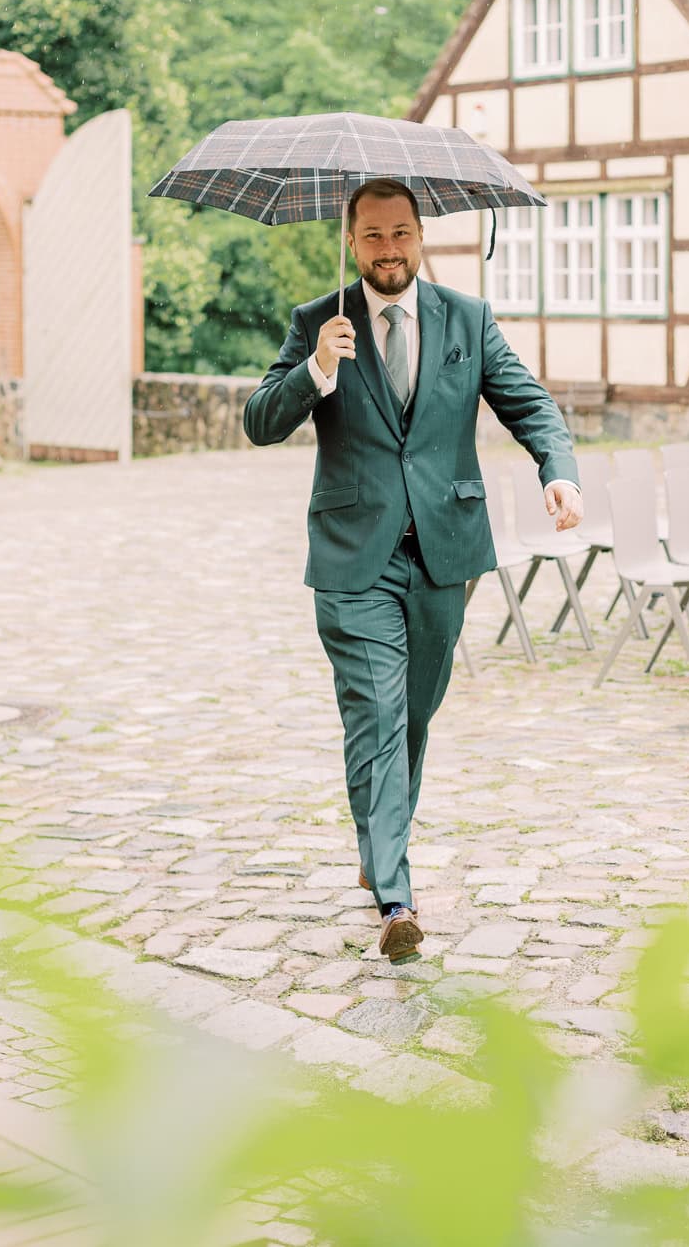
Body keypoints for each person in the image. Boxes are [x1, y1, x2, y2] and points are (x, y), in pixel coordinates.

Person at [243, 178, 582, 962]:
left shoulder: (467, 318)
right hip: (352, 559)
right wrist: (315, 370)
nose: (388, 249)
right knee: (376, 714)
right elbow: (261, 420)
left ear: (419, 236)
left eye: (400, 233)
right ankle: (396, 895)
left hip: (443, 553)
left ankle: (376, 841)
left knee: (415, 714)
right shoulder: (315, 323)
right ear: (350, 241)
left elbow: (527, 402)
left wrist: (555, 470)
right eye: (372, 236)